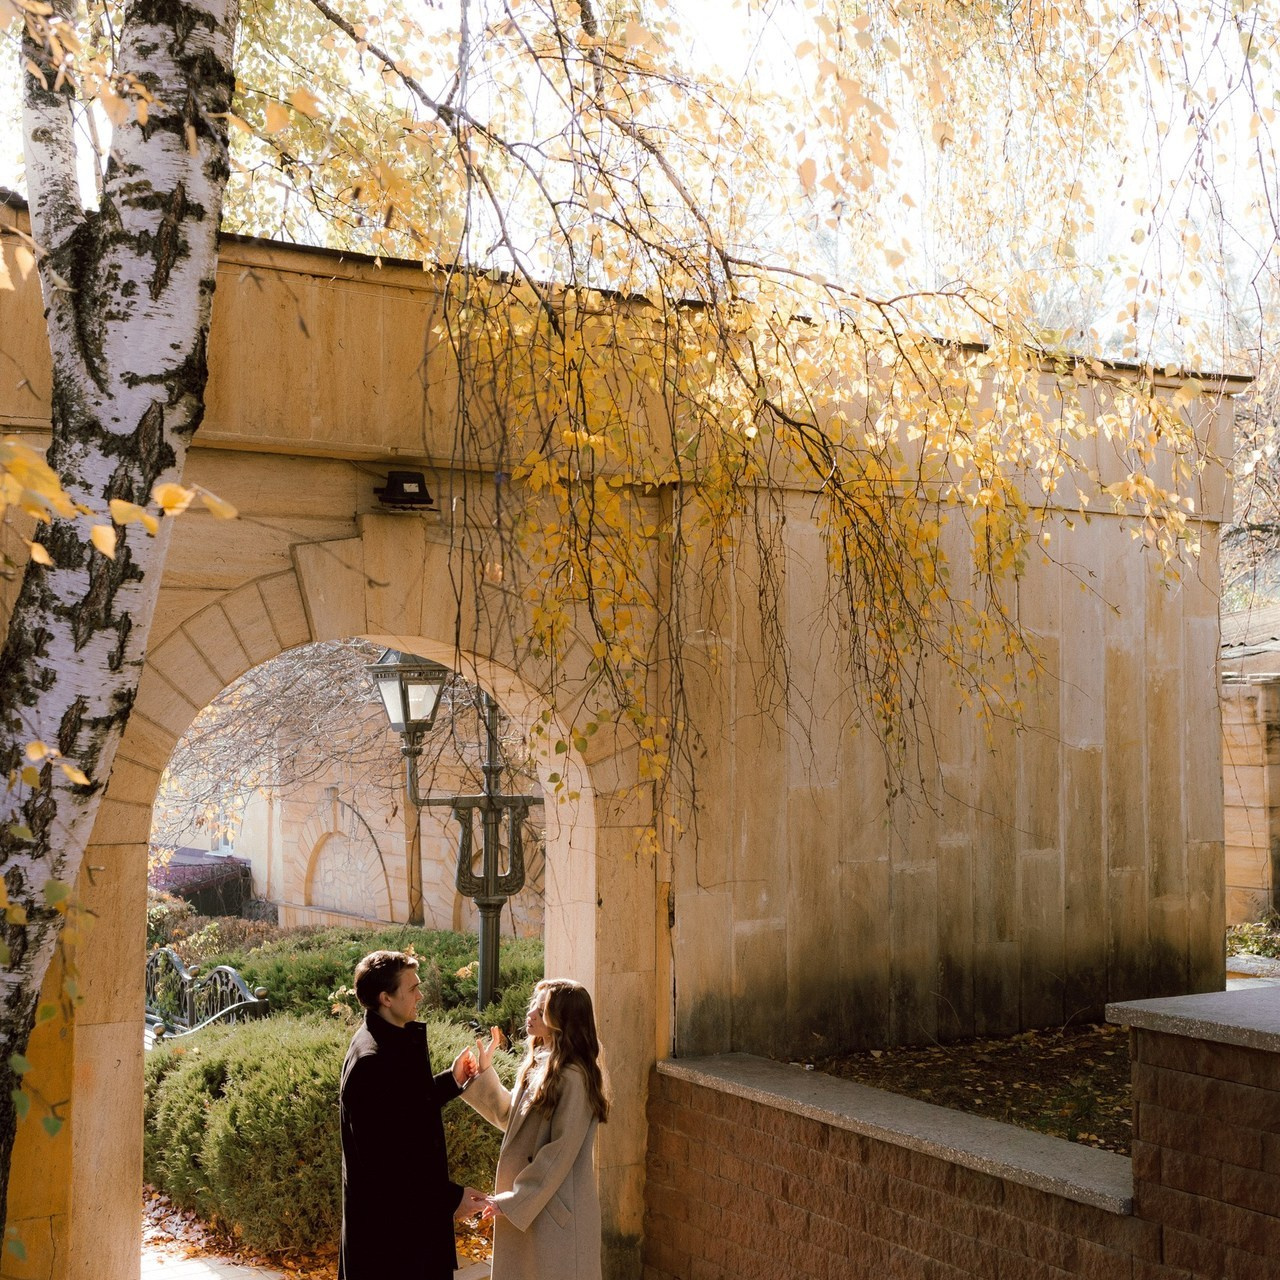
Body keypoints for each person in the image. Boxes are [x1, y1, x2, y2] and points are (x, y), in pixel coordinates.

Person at [339, 950, 488, 1280]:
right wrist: (451, 1199)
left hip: (407, 1235)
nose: (420, 995)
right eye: (413, 988)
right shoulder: (371, 1060)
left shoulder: (390, 1040)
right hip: (391, 1245)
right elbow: (387, 1165)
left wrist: (452, 1081)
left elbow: (402, 1110)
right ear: (386, 998)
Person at [461, 978, 609, 1280]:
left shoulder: (574, 1077)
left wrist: (513, 1200)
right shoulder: (540, 1064)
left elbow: (558, 1153)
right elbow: (512, 1121)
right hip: (534, 1207)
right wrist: (484, 1074)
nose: (530, 1014)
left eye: (541, 1011)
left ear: (562, 1021)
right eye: (533, 1006)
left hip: (554, 1212)